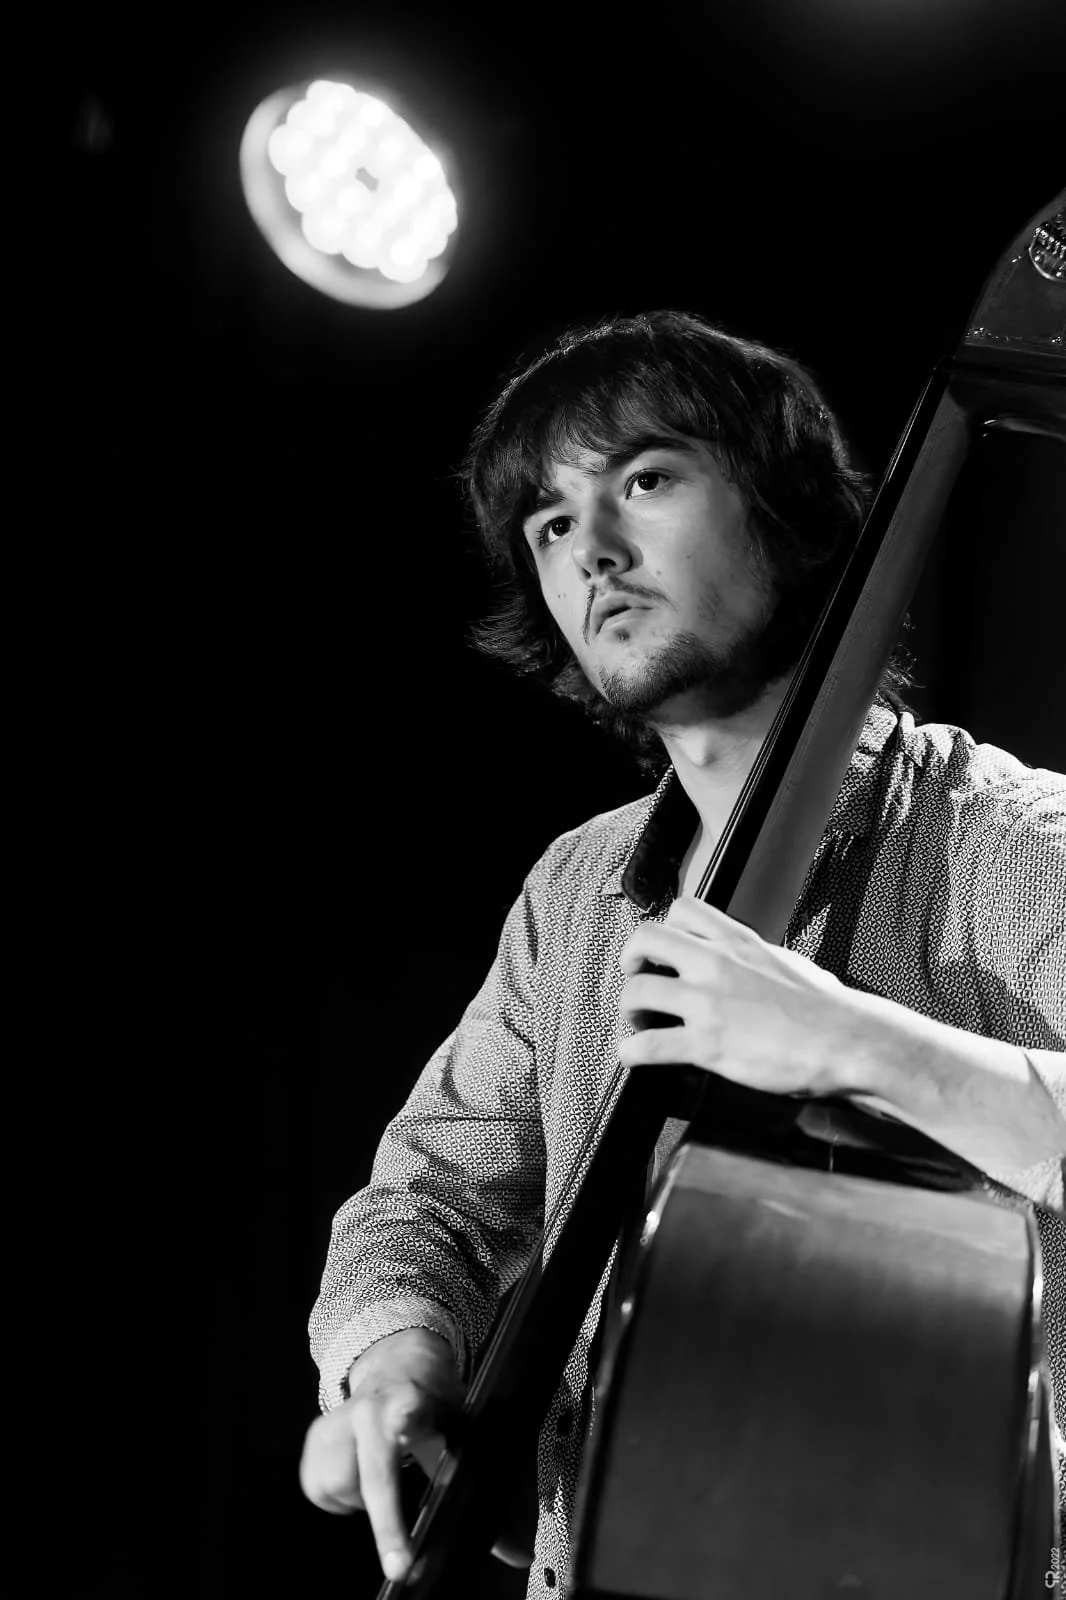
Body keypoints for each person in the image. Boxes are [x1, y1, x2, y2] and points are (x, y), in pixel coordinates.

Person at [299, 311, 1066, 1597]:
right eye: (549, 523)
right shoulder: (578, 891)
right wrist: (392, 1362)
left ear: (783, 510)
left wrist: (856, 1042)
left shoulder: (1012, 843)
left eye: (644, 480)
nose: (591, 550)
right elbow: (423, 1200)